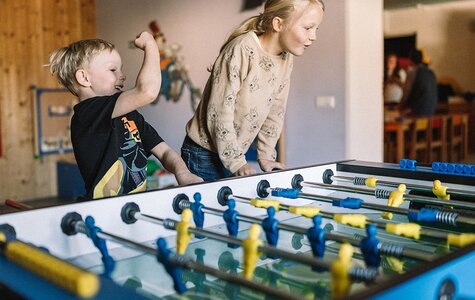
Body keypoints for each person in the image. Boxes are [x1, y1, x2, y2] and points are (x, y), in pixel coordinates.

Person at [47, 32, 202, 199]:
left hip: (134, 203)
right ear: (84, 78)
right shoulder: (87, 114)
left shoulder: (131, 116)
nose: (122, 75)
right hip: (104, 211)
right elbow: (146, 91)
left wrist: (182, 172)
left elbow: (164, 152)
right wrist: (151, 44)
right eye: (113, 69)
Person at [182, 0, 325, 181]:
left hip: (234, 155)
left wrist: (265, 155)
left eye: (316, 29)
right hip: (204, 155)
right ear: (278, 24)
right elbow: (218, 112)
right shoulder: (242, 49)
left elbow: (276, 109)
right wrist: (237, 163)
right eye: (308, 28)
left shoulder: (286, 58)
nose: (313, 37)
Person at [399, 49, 438, 117]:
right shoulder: (431, 73)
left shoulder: (414, 72)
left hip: (417, 113)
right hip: (430, 112)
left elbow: (406, 93)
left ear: (410, 60)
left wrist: (399, 106)